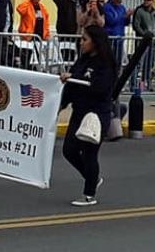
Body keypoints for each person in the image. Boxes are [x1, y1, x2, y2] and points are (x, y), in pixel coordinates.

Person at [60, 25, 117, 206]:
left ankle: (89, 194)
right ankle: (93, 177)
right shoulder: (82, 61)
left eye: (85, 39)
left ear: (95, 42)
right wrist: (60, 105)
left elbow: (101, 89)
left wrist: (78, 80)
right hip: (79, 111)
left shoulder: (106, 64)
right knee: (69, 150)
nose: (81, 42)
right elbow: (71, 87)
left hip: (96, 114)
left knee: (90, 152)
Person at [15, 0, 50, 69]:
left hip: (39, 38)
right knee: (26, 59)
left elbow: (46, 21)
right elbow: (19, 9)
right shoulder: (27, 6)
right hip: (27, 37)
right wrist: (28, 0)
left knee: (38, 59)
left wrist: (47, 34)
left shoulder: (42, 8)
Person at [132, 0, 155, 89]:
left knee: (150, 64)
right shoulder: (139, 11)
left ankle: (146, 84)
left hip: (152, 42)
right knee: (139, 63)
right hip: (142, 41)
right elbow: (136, 25)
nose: (146, 1)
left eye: (148, 0)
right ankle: (134, 85)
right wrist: (145, 36)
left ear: (152, 1)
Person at [104, 0, 132, 66]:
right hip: (110, 37)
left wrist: (128, 17)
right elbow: (110, 21)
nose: (119, 1)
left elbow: (126, 23)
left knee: (118, 61)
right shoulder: (107, 7)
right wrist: (124, 16)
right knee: (109, 61)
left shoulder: (122, 8)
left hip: (120, 38)